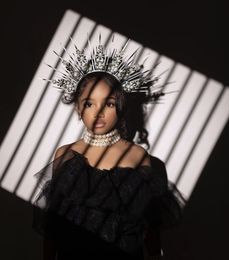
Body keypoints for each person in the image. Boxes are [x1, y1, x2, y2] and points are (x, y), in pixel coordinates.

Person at [32, 36, 186, 260]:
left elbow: (150, 230)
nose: (99, 112)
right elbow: (54, 226)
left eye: (109, 103)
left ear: (121, 106)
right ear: (78, 108)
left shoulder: (137, 156)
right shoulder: (65, 155)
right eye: (89, 103)